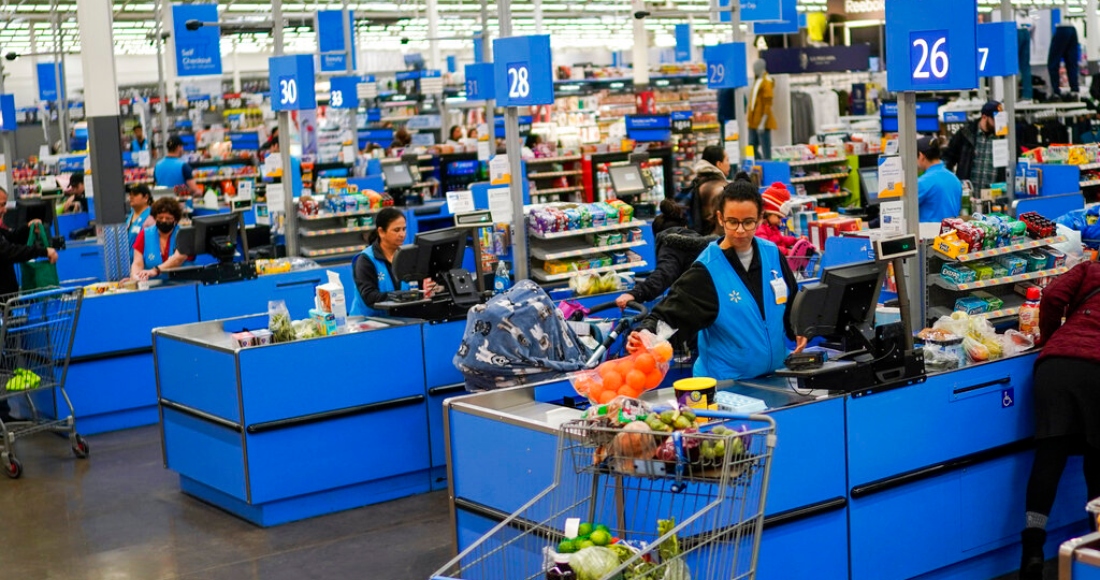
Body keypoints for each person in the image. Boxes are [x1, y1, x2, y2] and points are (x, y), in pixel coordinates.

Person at [628, 177, 806, 380]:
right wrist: (643, 333)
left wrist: (799, 328)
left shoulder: (772, 253)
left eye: (748, 222)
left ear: (760, 218)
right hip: (726, 385)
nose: (740, 230)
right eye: (732, 222)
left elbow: (791, 299)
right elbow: (669, 315)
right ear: (721, 218)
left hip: (773, 377)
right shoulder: (707, 270)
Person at [1019, 261, 1100, 579]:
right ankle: (1093, 552)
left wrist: (1052, 337)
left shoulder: (1089, 270)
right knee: (1097, 462)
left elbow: (1052, 295)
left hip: (1056, 368)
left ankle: (1032, 552)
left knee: (1048, 461)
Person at [0, 187, 58, 423]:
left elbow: (8, 238)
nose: (3, 209)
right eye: (0, 204)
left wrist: (27, 228)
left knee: (5, 358)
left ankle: (3, 413)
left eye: (4, 204)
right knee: (4, 359)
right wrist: (42, 250)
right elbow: (6, 250)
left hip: (5, 301)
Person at [350, 208, 411, 317]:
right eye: (396, 230)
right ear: (381, 232)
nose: (402, 234)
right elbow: (369, 297)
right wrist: (400, 296)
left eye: (404, 229)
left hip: (399, 320)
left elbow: (413, 285)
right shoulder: (365, 260)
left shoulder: (406, 256)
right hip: (368, 324)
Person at [943, 100, 1005, 193]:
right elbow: (948, 158)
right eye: (995, 120)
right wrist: (949, 183)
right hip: (968, 196)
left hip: (996, 197)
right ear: (984, 117)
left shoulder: (1005, 137)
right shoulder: (966, 134)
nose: (999, 124)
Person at [130, 197, 188, 280]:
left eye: (168, 218)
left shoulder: (184, 234)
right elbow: (137, 262)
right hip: (153, 286)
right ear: (154, 218)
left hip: (183, 285)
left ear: (175, 219)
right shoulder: (144, 234)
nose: (164, 221)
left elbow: (178, 259)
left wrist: (155, 270)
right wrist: (136, 276)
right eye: (160, 218)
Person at [684, 145, 731, 236]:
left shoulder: (698, 182)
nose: (729, 164)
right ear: (719, 164)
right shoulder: (720, 188)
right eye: (727, 160)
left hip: (698, 238)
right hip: (715, 240)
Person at [916, 135, 963, 223]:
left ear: (921, 156)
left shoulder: (922, 182)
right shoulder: (954, 179)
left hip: (930, 234)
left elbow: (906, 209)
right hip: (952, 234)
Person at [756, 182, 799, 255]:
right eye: (779, 217)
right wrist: (786, 251)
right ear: (768, 213)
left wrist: (795, 240)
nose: (780, 221)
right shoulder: (760, 229)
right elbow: (768, 248)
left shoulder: (772, 227)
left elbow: (781, 240)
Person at [125, 184, 155, 252]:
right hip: (129, 260)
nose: (131, 197)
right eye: (130, 194)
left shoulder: (151, 217)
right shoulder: (130, 216)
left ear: (146, 198)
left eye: (135, 194)